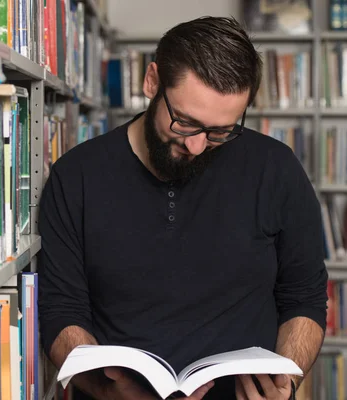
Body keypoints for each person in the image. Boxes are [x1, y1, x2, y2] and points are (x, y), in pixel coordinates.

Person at [38, 15, 328, 400]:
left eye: (220, 132)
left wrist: (285, 384)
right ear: (152, 81)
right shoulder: (76, 176)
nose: (197, 146)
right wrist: (102, 389)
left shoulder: (277, 169)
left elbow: (304, 298)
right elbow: (61, 309)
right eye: (185, 123)